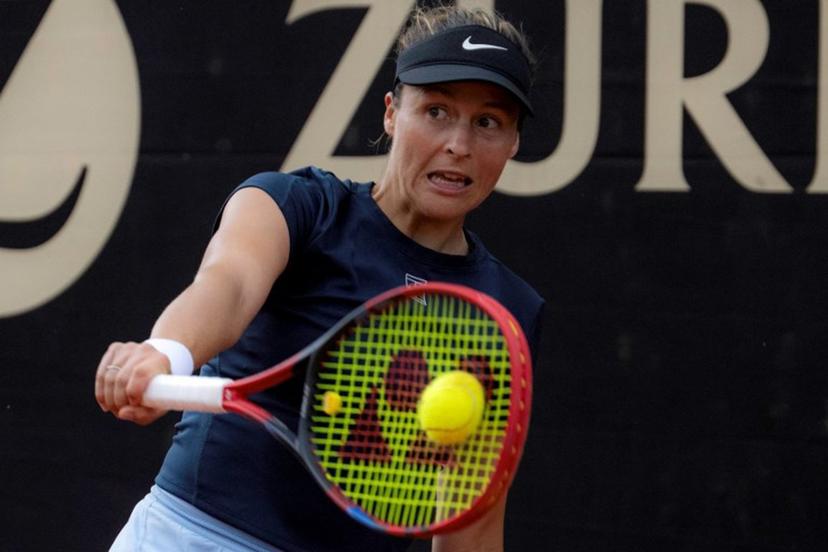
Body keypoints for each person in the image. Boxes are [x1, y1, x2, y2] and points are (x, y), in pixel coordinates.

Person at [95, 4, 544, 551]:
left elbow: (471, 514)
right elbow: (228, 284)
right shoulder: (296, 206)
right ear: (390, 113)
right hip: (192, 537)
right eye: (435, 111)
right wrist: (166, 351)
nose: (459, 144)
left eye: (488, 123)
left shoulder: (506, 311)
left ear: (514, 142)